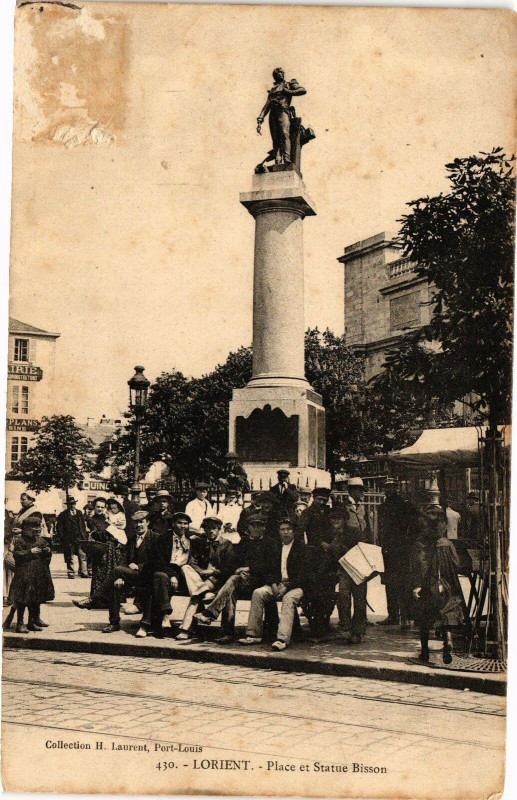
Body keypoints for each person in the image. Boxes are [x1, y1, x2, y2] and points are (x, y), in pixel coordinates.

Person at [194, 515, 273, 639]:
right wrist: (238, 570)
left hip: (261, 582)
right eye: (253, 525)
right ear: (248, 527)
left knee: (232, 581)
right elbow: (235, 562)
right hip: (243, 580)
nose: (256, 528)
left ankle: (210, 613)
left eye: (260, 525)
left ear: (264, 527)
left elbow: (270, 566)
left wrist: (248, 569)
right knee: (231, 590)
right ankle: (227, 633)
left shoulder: (270, 543)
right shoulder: (245, 541)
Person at [410, 500, 466, 664]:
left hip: (428, 586)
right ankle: (448, 640)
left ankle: (425, 652)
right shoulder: (447, 544)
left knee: (424, 618)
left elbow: (419, 566)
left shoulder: (420, 545)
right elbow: (456, 564)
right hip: (446, 586)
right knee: (446, 615)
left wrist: (417, 585)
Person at [239, 518, 307, 650]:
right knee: (258, 593)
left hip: (296, 586)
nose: (285, 532)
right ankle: (253, 634)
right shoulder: (275, 547)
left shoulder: (301, 548)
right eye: (282, 529)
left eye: (288, 529)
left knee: (288, 598)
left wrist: (287, 586)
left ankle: (282, 639)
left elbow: (303, 575)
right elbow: (269, 569)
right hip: (278, 584)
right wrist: (274, 584)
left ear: (293, 532)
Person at [176, 516, 236, 642]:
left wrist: (213, 572)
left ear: (219, 529)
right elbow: (193, 562)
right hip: (201, 580)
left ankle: (186, 629)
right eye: (207, 528)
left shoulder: (226, 545)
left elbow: (229, 568)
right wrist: (201, 572)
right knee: (187, 569)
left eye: (214, 528)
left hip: (219, 580)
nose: (211, 531)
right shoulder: (199, 543)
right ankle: (204, 592)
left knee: (197, 594)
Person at [101, 510, 161, 635]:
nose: (138, 525)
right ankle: (114, 622)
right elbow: (124, 559)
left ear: (148, 522)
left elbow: (157, 561)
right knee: (115, 584)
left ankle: (97, 597)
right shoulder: (132, 539)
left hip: (149, 576)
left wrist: (139, 566)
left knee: (118, 571)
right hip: (133, 577)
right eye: (135, 523)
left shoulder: (156, 537)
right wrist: (120, 577)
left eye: (141, 522)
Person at [329, 478, 374, 644]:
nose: (361, 493)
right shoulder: (341, 507)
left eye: (362, 490)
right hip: (346, 557)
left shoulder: (364, 507)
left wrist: (370, 551)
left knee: (360, 598)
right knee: (344, 597)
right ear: (351, 491)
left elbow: (368, 531)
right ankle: (345, 628)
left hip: (361, 557)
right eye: (359, 490)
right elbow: (336, 531)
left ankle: (358, 631)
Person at [75, 497, 127, 608]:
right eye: (97, 507)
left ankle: (113, 600)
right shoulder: (91, 519)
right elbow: (96, 534)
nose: (100, 509)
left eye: (102, 507)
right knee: (99, 574)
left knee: (112, 573)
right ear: (94, 507)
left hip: (112, 550)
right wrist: (107, 533)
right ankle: (98, 600)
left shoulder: (108, 517)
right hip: (100, 549)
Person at [149, 512, 192, 636]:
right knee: (160, 576)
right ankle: (166, 615)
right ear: (173, 524)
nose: (182, 526)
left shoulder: (191, 539)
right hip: (168, 569)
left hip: (184, 571)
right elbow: (158, 560)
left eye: (185, 524)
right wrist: (172, 575)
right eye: (179, 523)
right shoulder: (164, 538)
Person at [377, 479, 414, 629]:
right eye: (387, 487)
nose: (389, 490)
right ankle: (393, 615)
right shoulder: (383, 507)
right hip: (387, 549)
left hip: (402, 549)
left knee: (403, 583)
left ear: (397, 488)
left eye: (392, 487)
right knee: (389, 582)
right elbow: (381, 528)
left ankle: (406, 616)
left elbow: (411, 526)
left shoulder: (404, 505)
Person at [8, 517, 54, 633]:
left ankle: (31, 622)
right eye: (33, 531)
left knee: (35, 599)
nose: (35, 533)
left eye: (37, 531)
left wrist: (47, 552)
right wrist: (29, 552)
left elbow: (47, 556)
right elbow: (17, 555)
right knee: (22, 600)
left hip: (38, 575)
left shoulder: (41, 541)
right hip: (24, 575)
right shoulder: (20, 541)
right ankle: (20, 624)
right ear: (26, 530)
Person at [256, 68, 307, 165]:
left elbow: (302, 90)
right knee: (275, 138)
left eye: (282, 72)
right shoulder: (272, 90)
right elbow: (267, 105)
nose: (282, 73)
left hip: (283, 111)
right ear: (275, 75)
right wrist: (261, 117)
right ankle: (278, 161)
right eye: (279, 72)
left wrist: (288, 91)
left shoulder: (288, 84)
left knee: (284, 134)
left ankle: (287, 158)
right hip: (273, 114)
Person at [56, 496, 89, 579]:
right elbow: (59, 527)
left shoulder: (79, 513)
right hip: (69, 539)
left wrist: (84, 535)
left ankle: (83, 572)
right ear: (67, 505)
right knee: (70, 556)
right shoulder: (63, 515)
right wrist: (62, 537)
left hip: (80, 538)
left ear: (75, 504)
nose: (72, 505)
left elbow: (83, 526)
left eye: (73, 503)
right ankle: (71, 572)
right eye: (70, 504)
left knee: (82, 555)